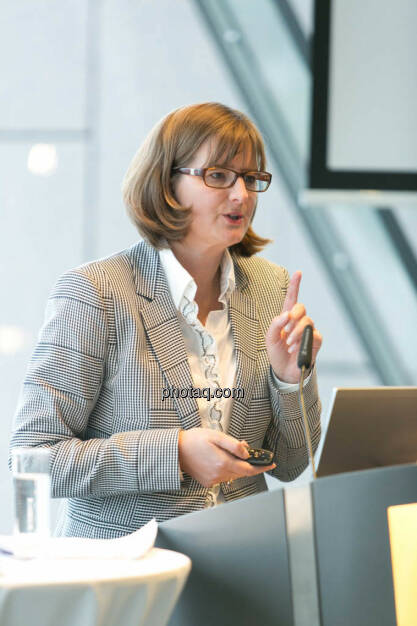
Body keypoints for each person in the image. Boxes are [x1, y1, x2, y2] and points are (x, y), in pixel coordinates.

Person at [10, 102, 322, 538]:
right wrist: (173, 452)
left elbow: (290, 464)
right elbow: (33, 459)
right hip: (124, 575)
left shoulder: (273, 289)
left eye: (251, 179)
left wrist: (290, 381)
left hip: (248, 561)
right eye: (218, 176)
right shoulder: (96, 292)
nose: (242, 195)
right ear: (167, 183)